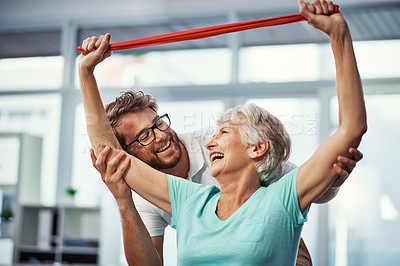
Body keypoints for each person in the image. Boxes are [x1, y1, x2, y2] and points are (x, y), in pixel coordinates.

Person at [77, 0, 366, 264]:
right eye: (144, 136)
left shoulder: (280, 196)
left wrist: (338, 35)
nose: (209, 139)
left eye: (224, 132)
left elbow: (350, 129)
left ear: (257, 148)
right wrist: (86, 72)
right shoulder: (189, 199)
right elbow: (110, 154)